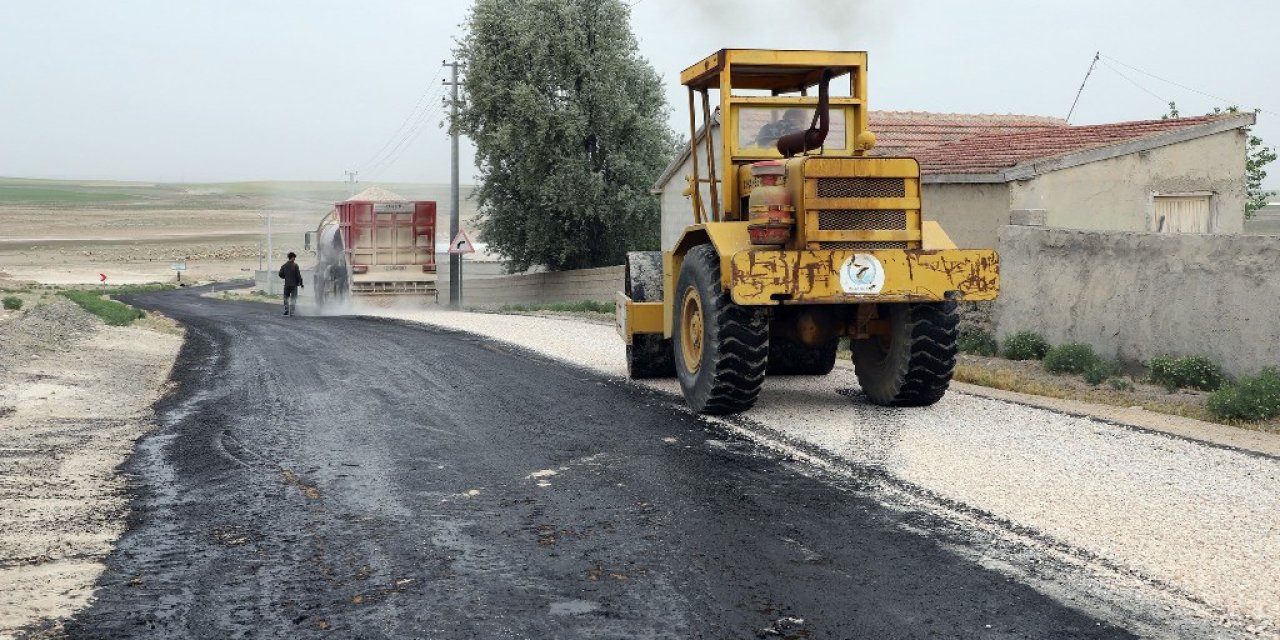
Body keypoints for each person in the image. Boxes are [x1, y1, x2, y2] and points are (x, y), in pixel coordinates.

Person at [278, 252, 303, 316]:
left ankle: (286, 309)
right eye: (294, 258)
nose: (294, 259)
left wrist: (285, 276)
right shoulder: (295, 266)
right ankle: (291, 311)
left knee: (286, 297)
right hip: (294, 285)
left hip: (287, 285)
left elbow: (280, 274)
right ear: (292, 257)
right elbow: (298, 275)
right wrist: (301, 283)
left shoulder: (284, 266)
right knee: (293, 298)